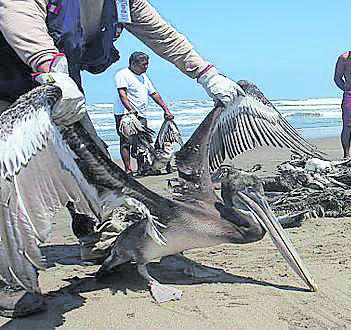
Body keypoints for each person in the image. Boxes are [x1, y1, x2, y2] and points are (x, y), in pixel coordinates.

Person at [0, 0, 244, 318]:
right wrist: (50, 67)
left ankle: (95, 237)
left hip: (62, 88)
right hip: (15, 85)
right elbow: (15, 12)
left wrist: (206, 74)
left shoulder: (125, 3)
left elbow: (163, 35)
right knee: (11, 181)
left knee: (94, 166)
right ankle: (11, 281)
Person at [114, 51, 174, 174]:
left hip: (141, 114)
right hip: (125, 114)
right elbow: (122, 94)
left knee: (143, 142)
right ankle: (128, 169)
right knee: (126, 142)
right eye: (143, 64)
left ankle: (142, 168)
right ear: (133, 64)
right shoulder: (122, 74)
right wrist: (130, 110)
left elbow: (154, 94)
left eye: (147, 64)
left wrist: (165, 109)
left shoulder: (143, 77)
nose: (146, 66)